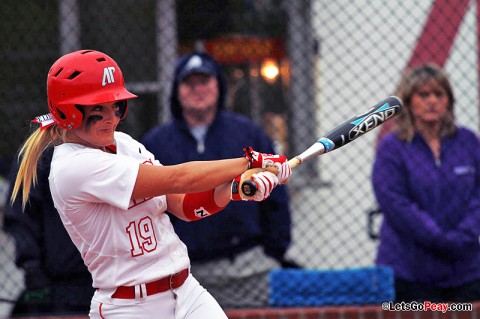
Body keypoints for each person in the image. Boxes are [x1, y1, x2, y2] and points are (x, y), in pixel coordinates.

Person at [10, 49, 291, 319]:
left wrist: (233, 189)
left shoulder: (124, 143)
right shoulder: (73, 166)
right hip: (131, 306)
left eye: (116, 105)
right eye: (98, 109)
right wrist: (251, 163)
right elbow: (178, 177)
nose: (112, 118)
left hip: (186, 292)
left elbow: (185, 205)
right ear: (68, 112)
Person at [142, 51, 299, 309]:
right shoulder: (156, 142)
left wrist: (274, 251)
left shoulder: (247, 133)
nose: (198, 90)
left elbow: (277, 201)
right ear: (177, 91)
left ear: (219, 86)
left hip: (245, 270)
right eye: (189, 83)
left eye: (205, 81)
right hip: (182, 273)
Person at [371, 63, 480, 302]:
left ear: (449, 101)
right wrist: (437, 238)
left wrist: (464, 235)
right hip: (409, 270)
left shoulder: (469, 142)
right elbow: (394, 202)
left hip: (466, 268)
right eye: (423, 95)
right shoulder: (393, 148)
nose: (432, 101)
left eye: (439, 94)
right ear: (409, 102)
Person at [4, 146, 95, 315]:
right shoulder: (39, 152)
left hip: (105, 277)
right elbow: (20, 217)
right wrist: (32, 267)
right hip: (58, 282)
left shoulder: (112, 147)